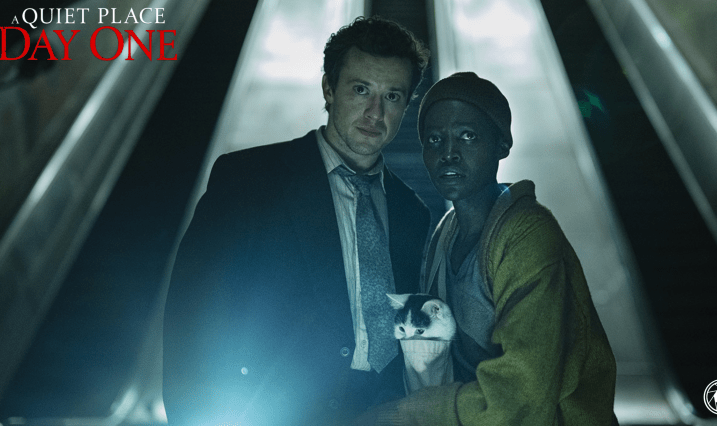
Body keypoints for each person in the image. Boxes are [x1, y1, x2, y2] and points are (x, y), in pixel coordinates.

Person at [162, 16, 431, 425]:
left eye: (392, 96)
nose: (375, 112)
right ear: (328, 89)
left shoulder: (412, 212)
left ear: (406, 106)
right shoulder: (249, 180)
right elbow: (192, 319)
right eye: (361, 89)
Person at [357, 72, 618, 425]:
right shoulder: (445, 234)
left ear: (502, 144)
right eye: (434, 140)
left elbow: (524, 393)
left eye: (467, 136)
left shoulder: (528, 235)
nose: (448, 153)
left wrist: (406, 413)